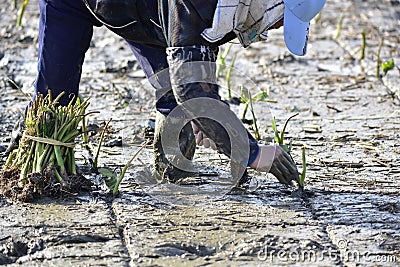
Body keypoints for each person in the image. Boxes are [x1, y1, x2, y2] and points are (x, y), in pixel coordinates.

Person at [8, 0, 326, 187]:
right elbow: (194, 93)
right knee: (54, 103)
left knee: (181, 111)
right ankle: (32, 175)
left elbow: (196, 76)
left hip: (142, 13)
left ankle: (171, 175)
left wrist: (212, 127)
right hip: (76, 3)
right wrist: (254, 154)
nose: (273, 29)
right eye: (281, 19)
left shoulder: (225, 10)